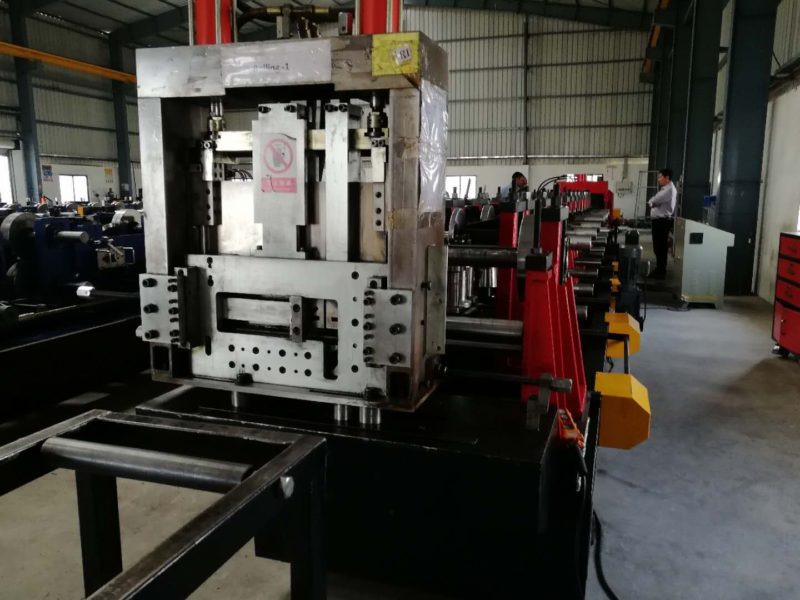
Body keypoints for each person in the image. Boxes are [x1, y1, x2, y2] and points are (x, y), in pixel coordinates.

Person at [648, 167, 678, 279]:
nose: (658, 179)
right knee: (659, 247)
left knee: (660, 247)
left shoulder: (668, 190)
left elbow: (654, 200)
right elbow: (653, 200)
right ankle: (660, 269)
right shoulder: (666, 188)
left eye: (660, 177)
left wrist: (652, 203)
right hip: (660, 221)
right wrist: (652, 202)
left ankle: (661, 271)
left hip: (661, 222)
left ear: (667, 177)